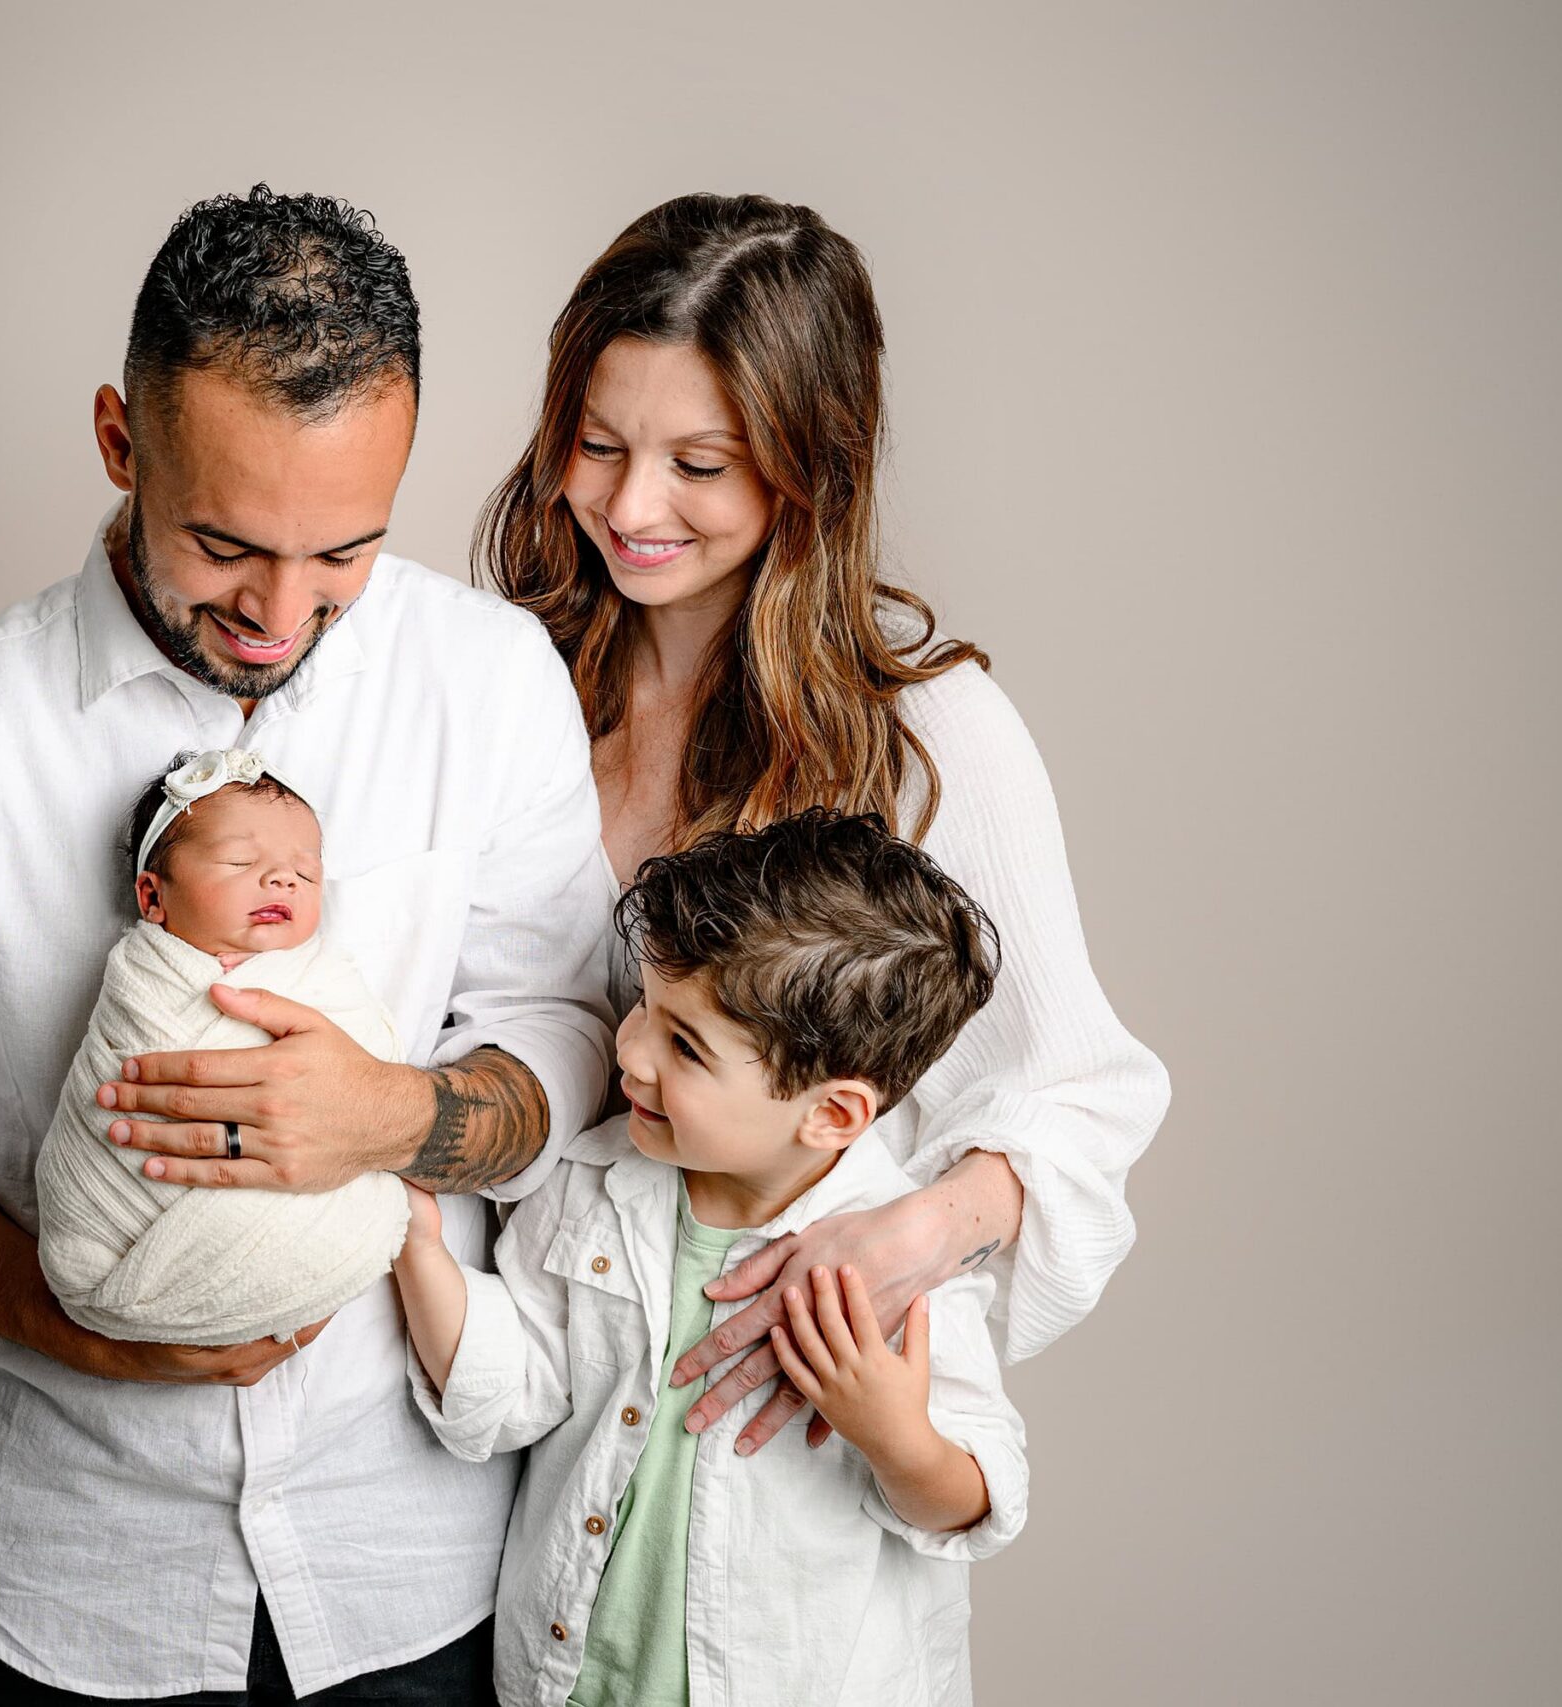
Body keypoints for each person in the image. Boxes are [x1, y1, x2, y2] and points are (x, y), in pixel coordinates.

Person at [0, 184, 616, 1702]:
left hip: (424, 1559)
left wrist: (402, 1113)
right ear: (117, 442)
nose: (284, 615)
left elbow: (562, 1022)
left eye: (345, 552)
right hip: (84, 1579)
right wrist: (74, 1322)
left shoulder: (487, 681)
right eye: (228, 543)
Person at [475, 193, 1171, 1453]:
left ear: (811, 472)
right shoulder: (500, 677)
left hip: (766, 1455)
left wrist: (907, 1238)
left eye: (698, 466)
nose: (631, 508)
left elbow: (1080, 1096)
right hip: (498, 1445)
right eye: (595, 444)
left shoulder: (923, 733)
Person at [393, 808, 1027, 1705]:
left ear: (832, 1113)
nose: (631, 1050)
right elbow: (517, 1391)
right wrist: (419, 1248)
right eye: (645, 1007)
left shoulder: (895, 1266)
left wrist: (893, 1432)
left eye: (684, 1044)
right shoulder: (586, 1178)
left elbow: (978, 1501)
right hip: (571, 1680)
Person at [35, 749, 411, 1347]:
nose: (284, 879)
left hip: (315, 1264)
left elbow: (374, 1075)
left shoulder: (323, 977)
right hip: (117, 1242)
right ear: (153, 899)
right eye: (240, 860)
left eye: (307, 874)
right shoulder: (142, 977)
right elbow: (117, 1068)